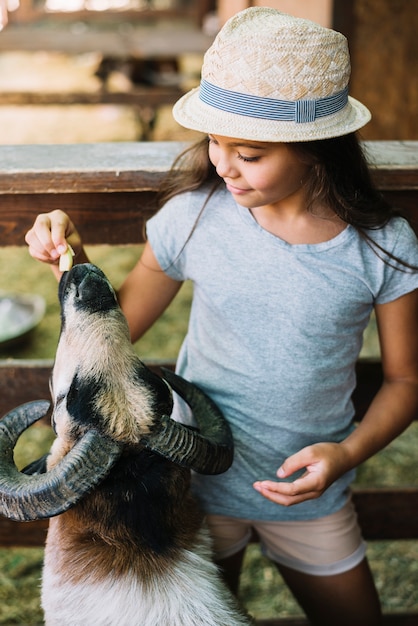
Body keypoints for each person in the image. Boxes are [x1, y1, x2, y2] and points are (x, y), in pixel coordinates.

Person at [25, 8, 418, 626]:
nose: (223, 166)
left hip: (315, 497)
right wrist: (69, 261)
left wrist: (347, 455)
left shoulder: (381, 246)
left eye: (250, 152)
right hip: (195, 493)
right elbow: (119, 326)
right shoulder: (195, 218)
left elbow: (404, 381)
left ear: (316, 148)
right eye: (216, 142)